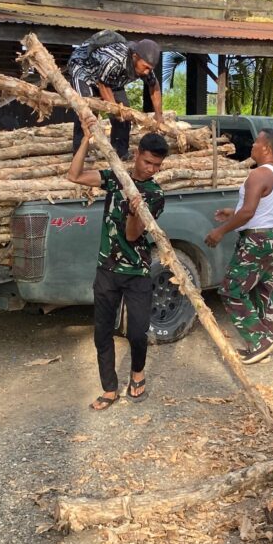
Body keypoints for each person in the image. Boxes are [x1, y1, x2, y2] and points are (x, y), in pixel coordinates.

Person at [67, 122, 169, 410]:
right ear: (137, 154)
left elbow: (133, 235)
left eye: (157, 165)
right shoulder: (115, 178)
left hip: (137, 271)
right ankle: (109, 389)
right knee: (102, 332)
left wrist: (136, 211)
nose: (151, 169)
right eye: (147, 162)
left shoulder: (155, 194)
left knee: (137, 332)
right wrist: (86, 140)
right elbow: (74, 176)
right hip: (107, 270)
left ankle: (137, 373)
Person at [205, 128, 273, 365]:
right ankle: (263, 346)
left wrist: (220, 231)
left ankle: (260, 341)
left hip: (256, 240)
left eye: (256, 142)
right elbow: (261, 209)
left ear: (266, 148)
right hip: (272, 236)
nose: (252, 146)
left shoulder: (258, 174)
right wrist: (233, 212)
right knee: (264, 291)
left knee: (231, 290)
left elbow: (250, 212)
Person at [68, 31, 164, 160]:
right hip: (84, 71)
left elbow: (154, 87)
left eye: (150, 69)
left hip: (110, 79)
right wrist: (116, 111)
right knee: (87, 113)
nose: (147, 72)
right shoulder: (115, 60)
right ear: (135, 56)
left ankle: (120, 152)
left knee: (125, 112)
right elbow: (103, 85)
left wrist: (159, 114)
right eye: (145, 67)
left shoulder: (146, 68)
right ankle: (80, 154)